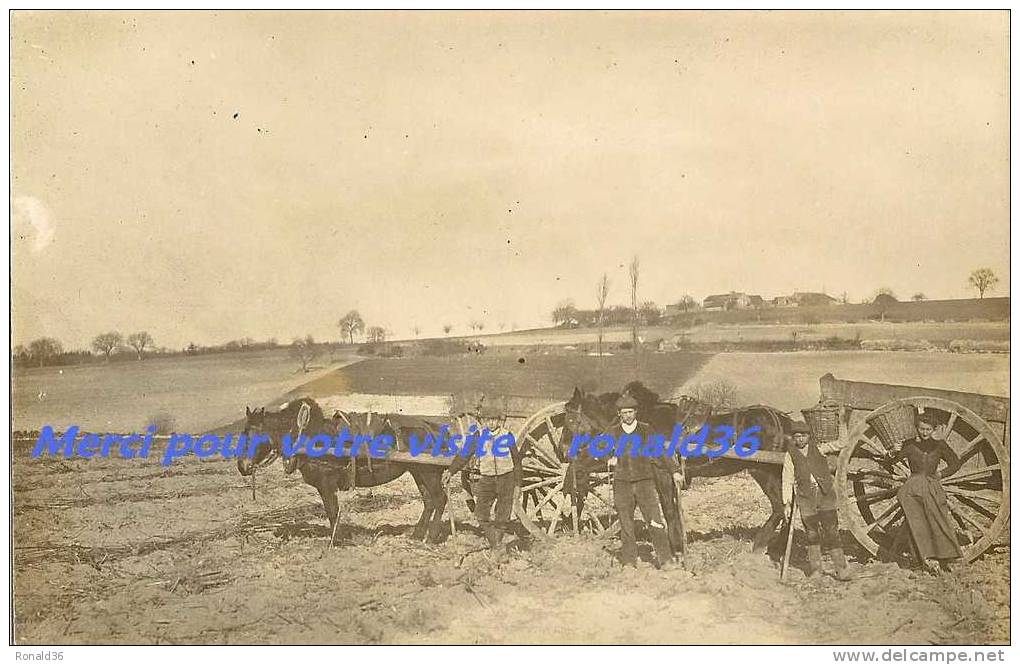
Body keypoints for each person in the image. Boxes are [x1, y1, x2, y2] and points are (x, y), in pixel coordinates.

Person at [609, 395, 681, 569]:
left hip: (644, 483)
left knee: (655, 520)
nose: (627, 415)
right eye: (624, 412)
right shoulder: (613, 432)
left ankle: (665, 560)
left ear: (636, 412)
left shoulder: (646, 430)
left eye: (630, 412)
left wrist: (674, 471)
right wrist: (609, 457)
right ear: (619, 414)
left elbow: (661, 451)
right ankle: (629, 562)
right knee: (626, 523)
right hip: (622, 483)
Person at [444, 395, 522, 553]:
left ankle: (497, 546)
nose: (492, 423)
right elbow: (464, 455)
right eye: (488, 420)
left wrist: (518, 485)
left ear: (499, 421)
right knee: (481, 515)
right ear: (483, 421)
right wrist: (451, 471)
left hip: (506, 478)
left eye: (495, 420)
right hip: (487, 480)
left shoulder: (507, 436)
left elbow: (517, 462)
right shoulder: (478, 436)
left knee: (502, 516)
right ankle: (496, 544)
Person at [889, 411, 963, 574]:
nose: (924, 432)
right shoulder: (908, 445)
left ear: (933, 429)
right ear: (917, 428)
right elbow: (891, 461)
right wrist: (893, 451)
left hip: (931, 487)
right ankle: (917, 561)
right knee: (915, 523)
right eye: (921, 428)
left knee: (938, 520)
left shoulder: (940, 445)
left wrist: (941, 474)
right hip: (912, 489)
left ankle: (943, 557)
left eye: (928, 429)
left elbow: (955, 463)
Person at [782, 420, 852, 581]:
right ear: (793, 437)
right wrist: (787, 502)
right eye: (797, 436)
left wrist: (842, 422)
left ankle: (841, 568)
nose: (800, 439)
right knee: (812, 533)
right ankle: (816, 570)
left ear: (809, 436)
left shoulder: (820, 449)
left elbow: (842, 443)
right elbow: (787, 479)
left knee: (832, 530)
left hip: (825, 494)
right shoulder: (790, 455)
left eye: (803, 436)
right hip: (805, 497)